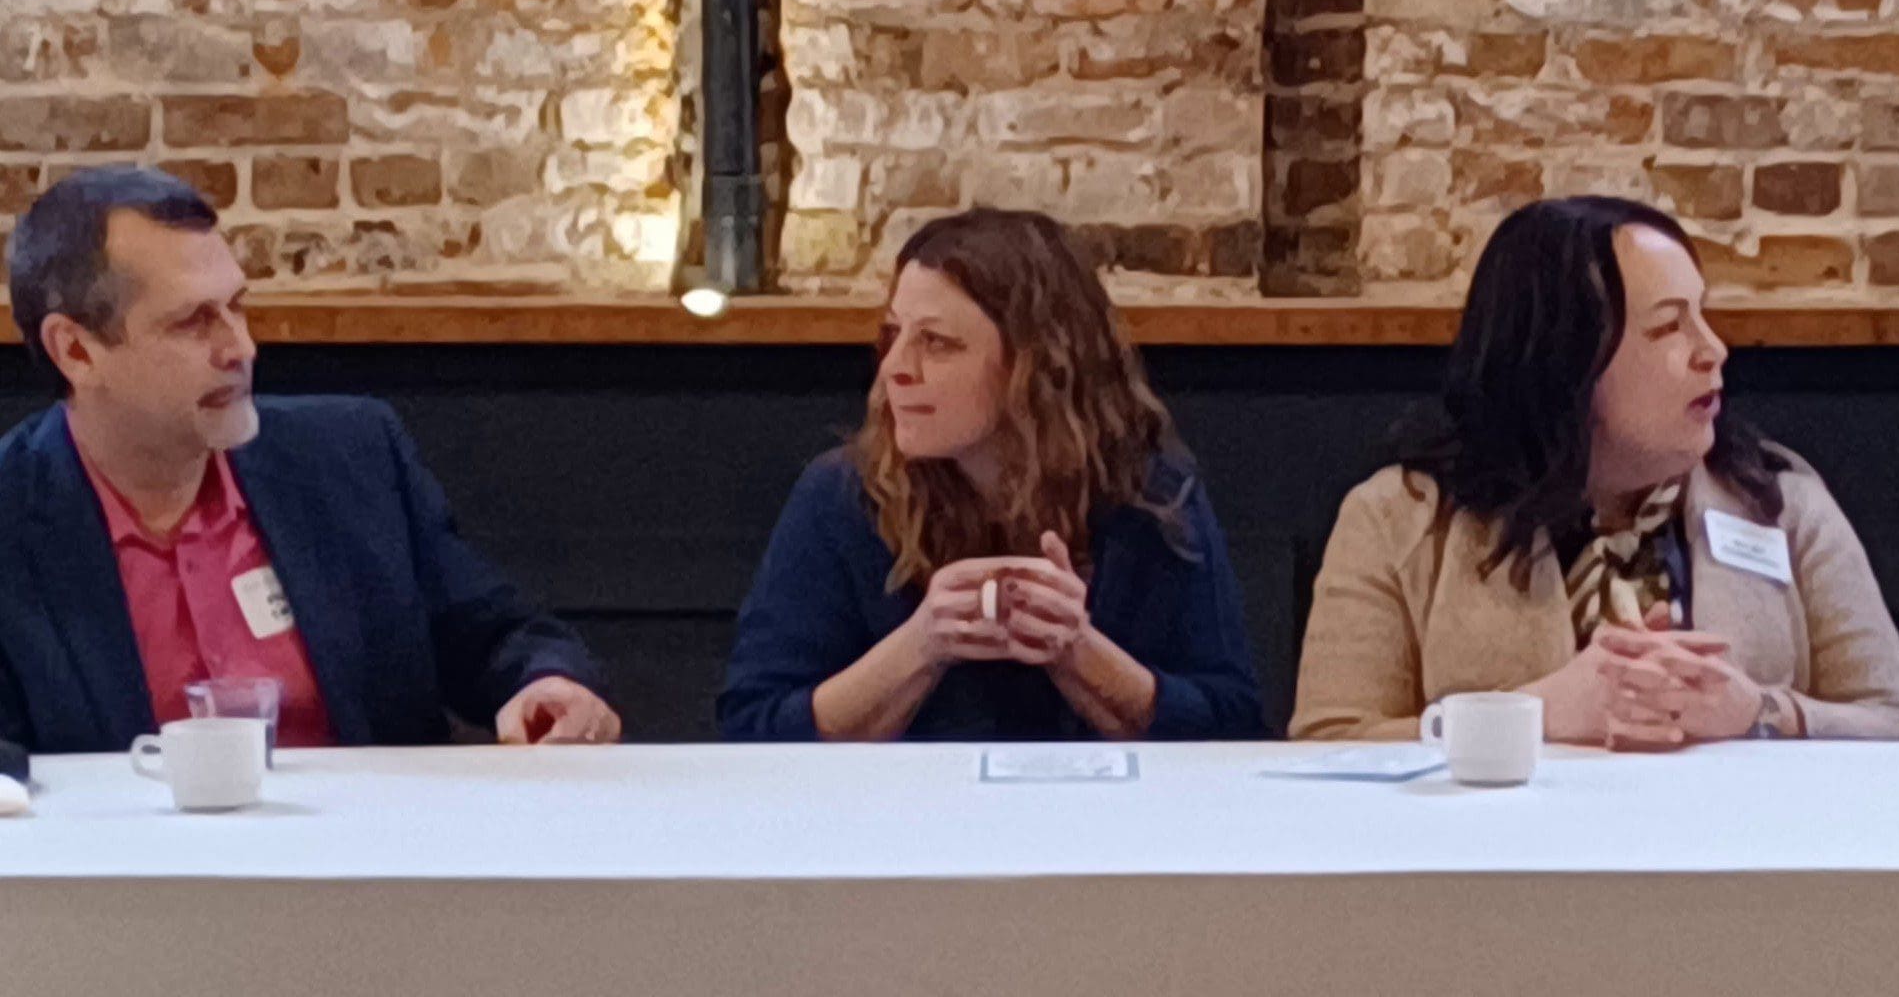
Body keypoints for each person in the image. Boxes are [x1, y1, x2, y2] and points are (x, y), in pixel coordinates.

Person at [0, 166, 616, 754]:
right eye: (192, 322)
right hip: (119, 834)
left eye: (238, 307)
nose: (241, 348)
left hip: (368, 828)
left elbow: (497, 636)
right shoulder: (14, 516)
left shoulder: (349, 457)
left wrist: (547, 682)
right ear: (76, 351)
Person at [1292, 196, 1899, 745]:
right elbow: (1327, 745)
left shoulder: (1781, 502)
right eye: (1668, 327)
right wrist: (1532, 717)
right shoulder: (1395, 518)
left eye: (1703, 315)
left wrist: (1763, 712)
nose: (1714, 350)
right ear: (1566, 361)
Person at [719, 209, 1263, 741]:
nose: (894, 369)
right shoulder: (844, 494)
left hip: (1095, 802)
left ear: (1035, 366)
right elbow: (751, 726)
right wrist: (923, 644)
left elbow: (1233, 727)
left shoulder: (1146, 493)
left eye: (936, 342)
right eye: (893, 335)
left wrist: (1077, 650)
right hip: (903, 802)